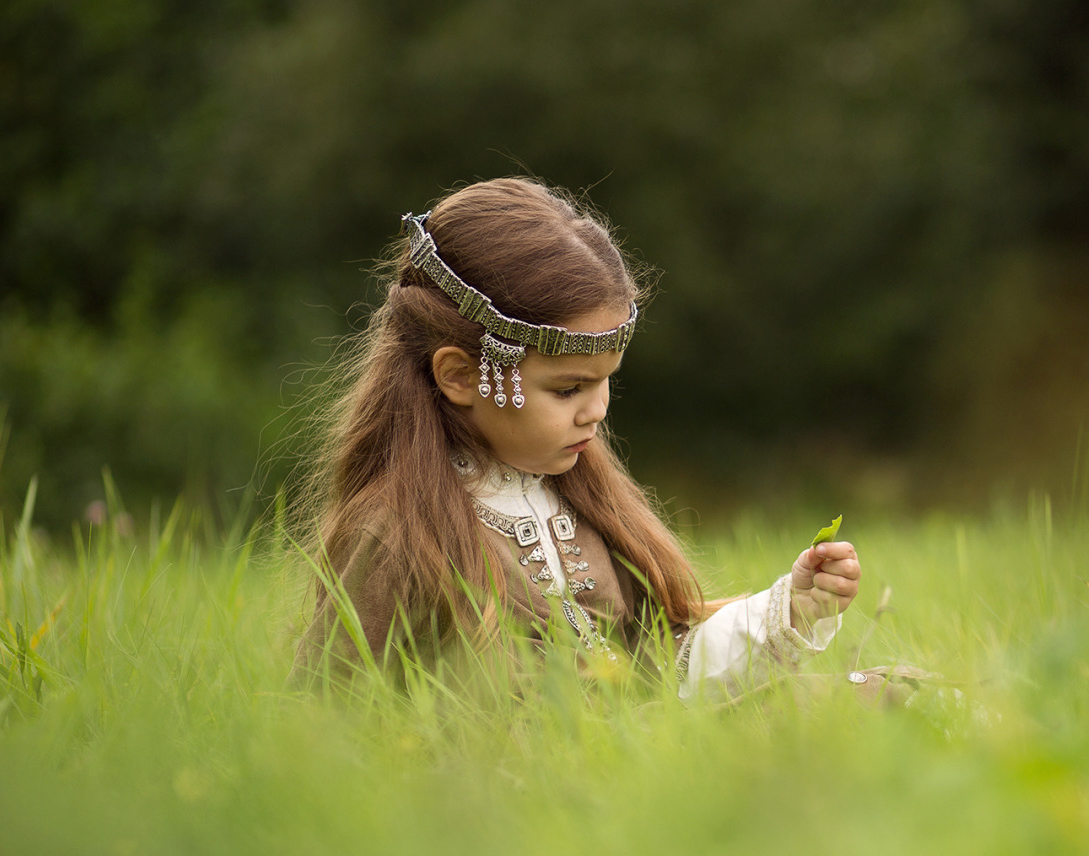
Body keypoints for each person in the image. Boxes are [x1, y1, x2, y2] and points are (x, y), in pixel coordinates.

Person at [293, 177, 871, 701]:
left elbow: (659, 675)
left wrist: (790, 609)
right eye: (568, 389)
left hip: (645, 769)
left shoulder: (581, 502)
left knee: (887, 698)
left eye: (605, 383)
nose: (596, 412)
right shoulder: (398, 533)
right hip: (515, 802)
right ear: (461, 376)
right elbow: (332, 727)